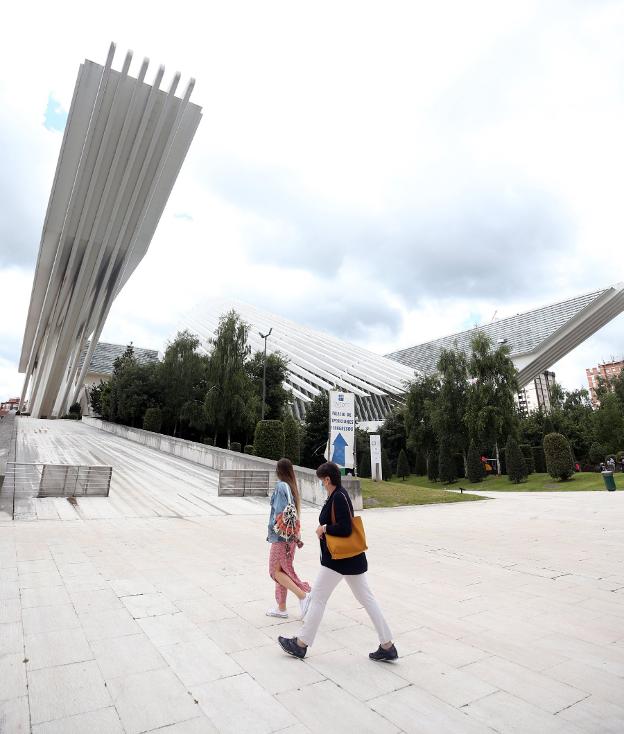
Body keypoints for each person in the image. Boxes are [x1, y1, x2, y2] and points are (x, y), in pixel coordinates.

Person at [278, 461, 398, 662]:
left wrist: (324, 529)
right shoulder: (337, 495)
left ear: (328, 479)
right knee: (367, 599)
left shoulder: (339, 497)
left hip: (338, 561)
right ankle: (387, 645)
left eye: (321, 480)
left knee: (317, 598)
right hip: (351, 561)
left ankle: (301, 644)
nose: (321, 484)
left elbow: (345, 529)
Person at [266, 458, 311, 619]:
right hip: (290, 537)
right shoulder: (292, 488)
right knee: (282, 571)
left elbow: (278, 513)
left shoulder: (280, 487)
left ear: (279, 471)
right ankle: (281, 607)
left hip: (281, 537)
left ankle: (303, 597)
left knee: (274, 572)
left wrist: (272, 528)